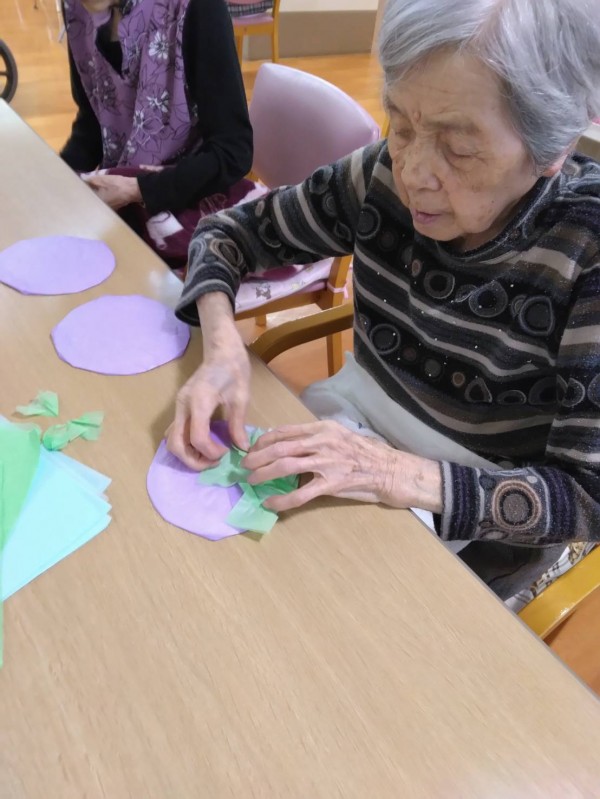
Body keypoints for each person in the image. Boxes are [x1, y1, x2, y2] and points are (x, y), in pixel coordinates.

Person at [166, 0, 600, 607]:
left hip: (479, 525)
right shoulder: (381, 174)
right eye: (400, 123)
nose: (413, 173)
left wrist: (393, 472)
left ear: (550, 149)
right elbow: (227, 234)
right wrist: (221, 347)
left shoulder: (586, 246)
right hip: (353, 432)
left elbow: (587, 498)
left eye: (459, 149)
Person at [60, 0, 253, 267]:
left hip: (186, 201)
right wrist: (58, 180)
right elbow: (92, 123)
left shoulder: (196, 8)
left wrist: (137, 189)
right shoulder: (77, 9)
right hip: (118, 203)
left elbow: (233, 152)